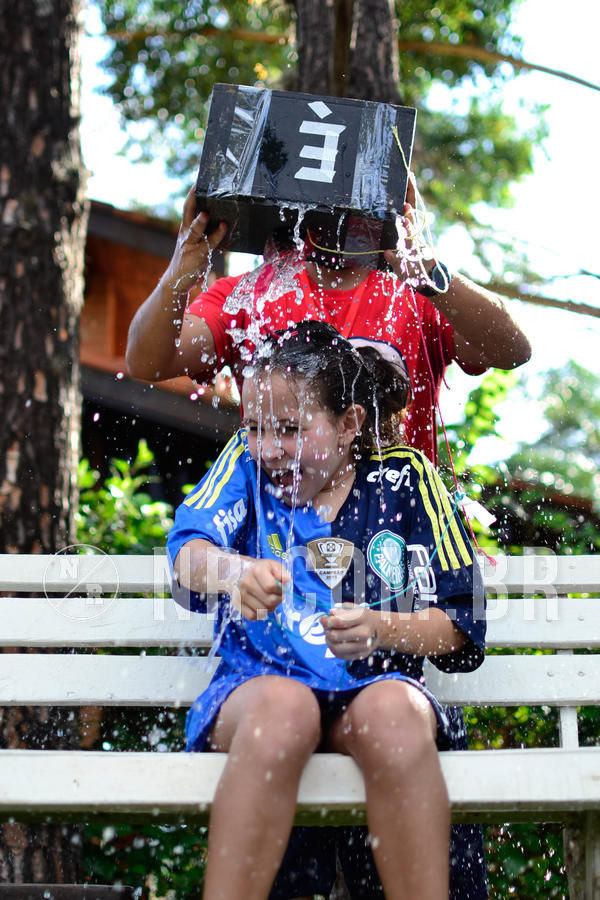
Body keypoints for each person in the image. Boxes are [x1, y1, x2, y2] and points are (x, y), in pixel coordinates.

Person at [167, 321, 488, 899]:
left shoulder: (406, 481)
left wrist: (383, 626)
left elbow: (461, 622)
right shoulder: (244, 464)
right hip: (258, 689)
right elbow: (188, 553)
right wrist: (234, 572)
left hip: (371, 691)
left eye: (289, 430)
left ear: (348, 425)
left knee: (396, 710)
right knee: (288, 709)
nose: (268, 449)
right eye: (257, 428)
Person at [126, 176, 531, 463]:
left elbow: (513, 350)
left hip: (397, 540)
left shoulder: (417, 295)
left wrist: (428, 271)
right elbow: (144, 362)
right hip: (282, 538)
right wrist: (179, 273)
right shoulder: (247, 294)